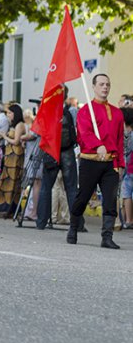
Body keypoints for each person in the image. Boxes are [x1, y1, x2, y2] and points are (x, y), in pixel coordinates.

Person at [68, 74, 125, 249]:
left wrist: (120, 164)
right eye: (101, 84)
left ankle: (107, 237)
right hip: (90, 161)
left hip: (110, 163)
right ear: (93, 87)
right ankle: (73, 228)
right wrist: (98, 145)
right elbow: (83, 133)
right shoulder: (85, 111)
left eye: (107, 84)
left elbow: (119, 141)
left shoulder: (117, 113)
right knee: (82, 197)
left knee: (109, 200)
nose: (105, 87)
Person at [36, 85, 80, 231]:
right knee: (71, 188)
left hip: (51, 151)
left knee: (46, 187)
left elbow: (41, 131)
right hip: (67, 152)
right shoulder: (68, 113)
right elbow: (74, 134)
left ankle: (41, 221)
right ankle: (77, 224)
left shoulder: (48, 111)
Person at [0, 104, 26, 218]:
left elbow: (16, 141)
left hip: (16, 157)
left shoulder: (20, 125)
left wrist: (4, 136)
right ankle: (4, 207)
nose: (7, 115)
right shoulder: (12, 125)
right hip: (9, 156)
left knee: (13, 182)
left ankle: (11, 209)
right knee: (6, 180)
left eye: (9, 113)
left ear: (15, 113)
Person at [120, 107, 133, 229]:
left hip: (126, 167)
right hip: (130, 166)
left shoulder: (121, 133)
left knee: (125, 194)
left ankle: (127, 219)